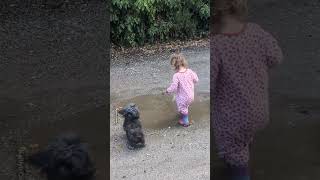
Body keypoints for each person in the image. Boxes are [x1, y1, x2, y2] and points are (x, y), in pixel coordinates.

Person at [211, 0, 283, 179]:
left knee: (235, 154)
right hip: (259, 112)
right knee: (244, 137)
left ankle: (239, 168)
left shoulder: (215, 45)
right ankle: (241, 155)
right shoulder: (256, 31)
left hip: (232, 120)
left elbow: (208, 86)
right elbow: (276, 58)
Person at [164, 53, 199, 127]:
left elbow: (174, 87)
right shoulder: (190, 71)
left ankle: (185, 122)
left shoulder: (176, 76)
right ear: (184, 62)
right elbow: (196, 80)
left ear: (174, 66)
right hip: (191, 96)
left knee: (182, 108)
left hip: (183, 98)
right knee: (186, 105)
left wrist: (167, 91)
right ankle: (185, 111)